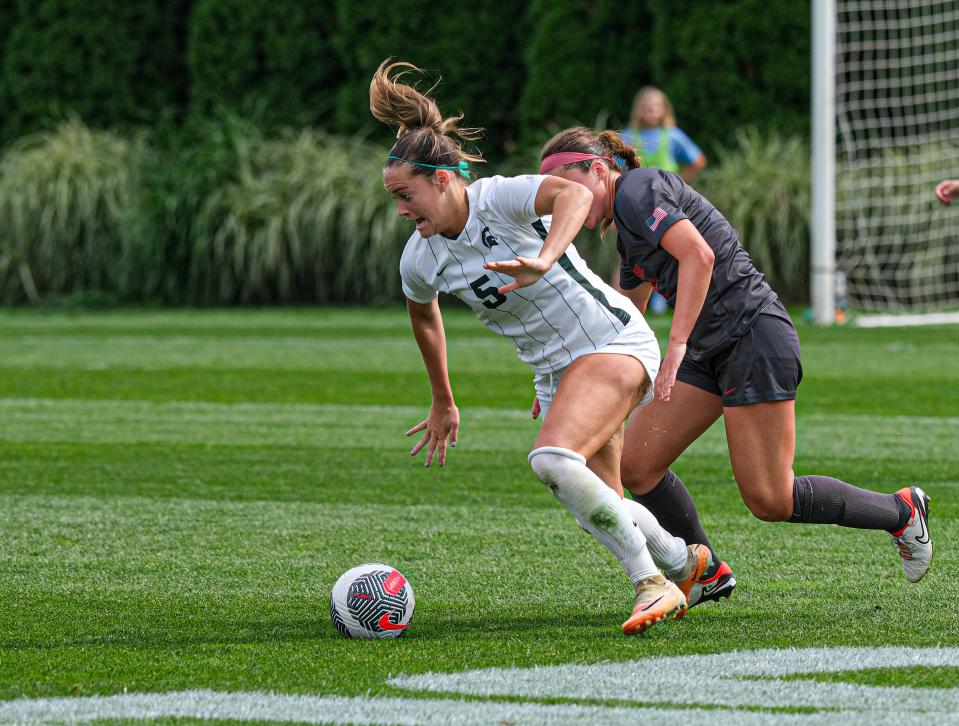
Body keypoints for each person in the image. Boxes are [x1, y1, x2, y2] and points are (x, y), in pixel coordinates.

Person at [369, 60, 711, 635]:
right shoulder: (420, 256)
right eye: (394, 199)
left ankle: (653, 585)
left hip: (612, 339)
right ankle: (686, 563)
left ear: (444, 179)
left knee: (551, 461)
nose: (402, 209)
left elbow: (574, 197)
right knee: (596, 502)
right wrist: (442, 400)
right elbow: (422, 315)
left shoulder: (499, 198)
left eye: (407, 195)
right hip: (558, 372)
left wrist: (546, 257)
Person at [526, 127, 933, 596]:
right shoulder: (627, 231)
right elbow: (615, 320)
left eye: (565, 181)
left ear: (600, 169)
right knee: (638, 466)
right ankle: (706, 572)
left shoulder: (639, 189)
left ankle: (901, 511)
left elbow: (698, 255)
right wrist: (566, 378)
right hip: (709, 349)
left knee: (770, 498)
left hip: (752, 336)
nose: (560, 197)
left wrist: (674, 345)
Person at [620, 87, 706, 183]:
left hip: (667, 195)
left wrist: (678, 185)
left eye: (656, 105)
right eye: (646, 106)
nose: (651, 109)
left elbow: (698, 161)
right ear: (638, 109)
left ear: (664, 110)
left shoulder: (672, 135)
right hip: (636, 195)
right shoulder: (628, 137)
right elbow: (613, 168)